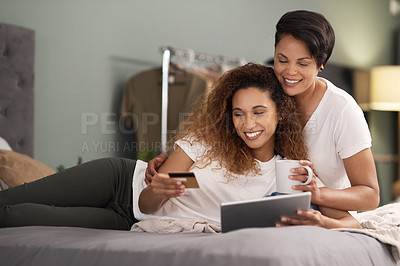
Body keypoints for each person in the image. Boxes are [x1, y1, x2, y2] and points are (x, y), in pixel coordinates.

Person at [0, 64, 360, 230]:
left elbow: (353, 222)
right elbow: (148, 197)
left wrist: (322, 213)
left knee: (17, 218)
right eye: (238, 114)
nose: (247, 125)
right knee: (11, 201)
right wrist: (160, 189)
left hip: (129, 221)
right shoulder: (208, 141)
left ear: (280, 113)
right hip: (120, 181)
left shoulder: (287, 172)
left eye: (258, 112)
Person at [146, 10, 379, 214]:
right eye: (282, 59)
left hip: (325, 209)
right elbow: (216, 147)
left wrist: (318, 194)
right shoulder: (270, 89)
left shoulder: (342, 111)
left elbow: (370, 195)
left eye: (303, 63)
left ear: (321, 64)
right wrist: (174, 167)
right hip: (269, 200)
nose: (290, 72)